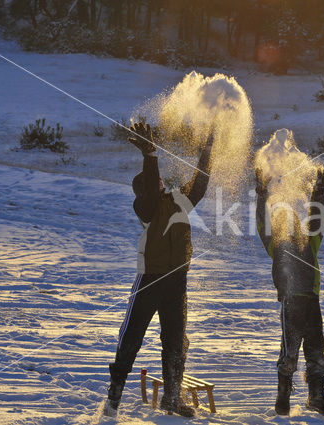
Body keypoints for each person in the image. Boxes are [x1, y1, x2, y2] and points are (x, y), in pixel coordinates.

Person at [105, 122, 213, 418]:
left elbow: (199, 185)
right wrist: (150, 155)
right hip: (149, 280)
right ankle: (113, 398)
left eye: (162, 184)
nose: (164, 185)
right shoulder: (145, 208)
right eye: (157, 184)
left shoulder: (179, 204)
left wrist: (207, 149)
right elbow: (151, 188)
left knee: (176, 341)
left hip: (176, 281)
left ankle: (171, 398)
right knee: (131, 338)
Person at [255, 166, 324, 417]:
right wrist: (261, 193)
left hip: (312, 300)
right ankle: (283, 399)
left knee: (316, 349)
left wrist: (319, 189)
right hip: (291, 301)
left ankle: (315, 398)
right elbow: (262, 221)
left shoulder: (310, 239)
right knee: (289, 352)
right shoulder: (275, 243)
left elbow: (317, 216)